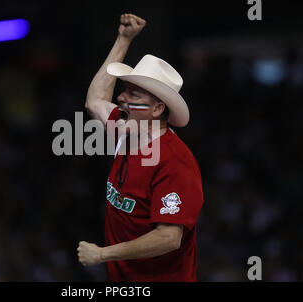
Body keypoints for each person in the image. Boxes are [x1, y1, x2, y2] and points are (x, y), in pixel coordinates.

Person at [77, 13, 204, 282]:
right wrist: (124, 39)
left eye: (133, 94)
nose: (120, 97)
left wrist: (102, 255)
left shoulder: (175, 161)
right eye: (124, 88)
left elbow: (169, 238)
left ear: (158, 109)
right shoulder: (127, 131)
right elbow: (96, 100)